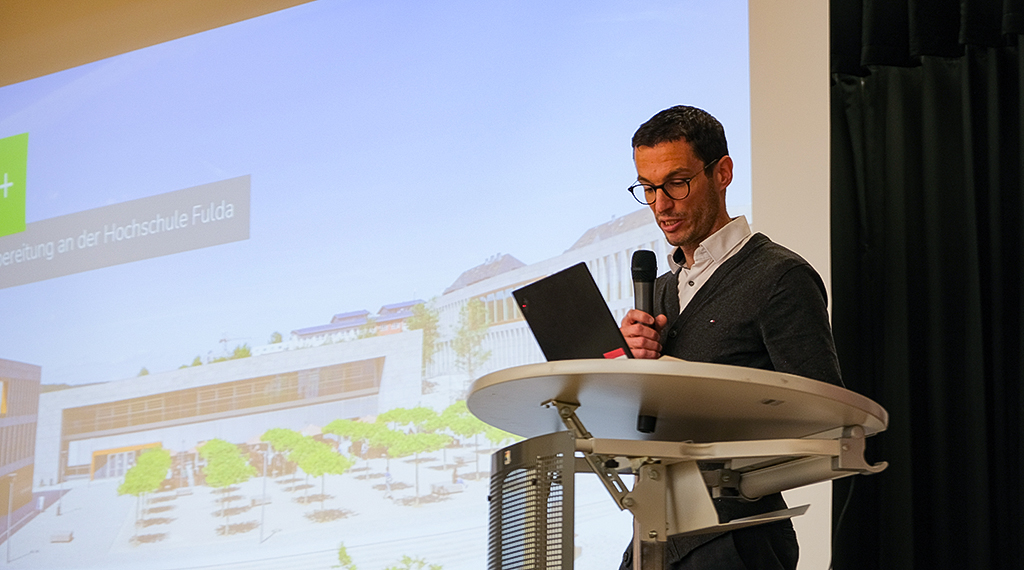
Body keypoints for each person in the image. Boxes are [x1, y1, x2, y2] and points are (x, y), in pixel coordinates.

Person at [618, 105, 842, 570]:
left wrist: (702, 391)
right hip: (654, 536)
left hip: (735, 539)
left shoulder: (779, 277)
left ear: (722, 173)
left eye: (677, 183)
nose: (661, 205)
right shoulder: (659, 291)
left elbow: (824, 418)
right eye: (648, 188)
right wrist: (628, 368)